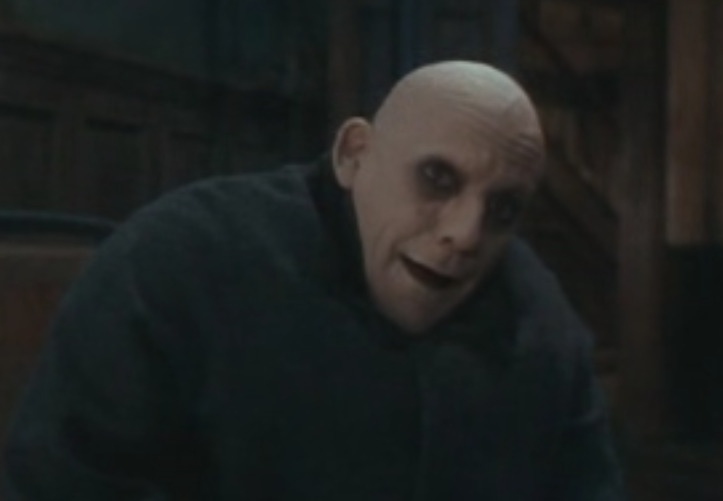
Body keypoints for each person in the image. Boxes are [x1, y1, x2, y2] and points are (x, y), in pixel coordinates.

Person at [0, 61, 624, 500]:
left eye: (504, 209)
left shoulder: (539, 318)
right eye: (437, 178)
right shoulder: (179, 261)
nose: (466, 234)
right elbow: (62, 484)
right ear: (354, 154)